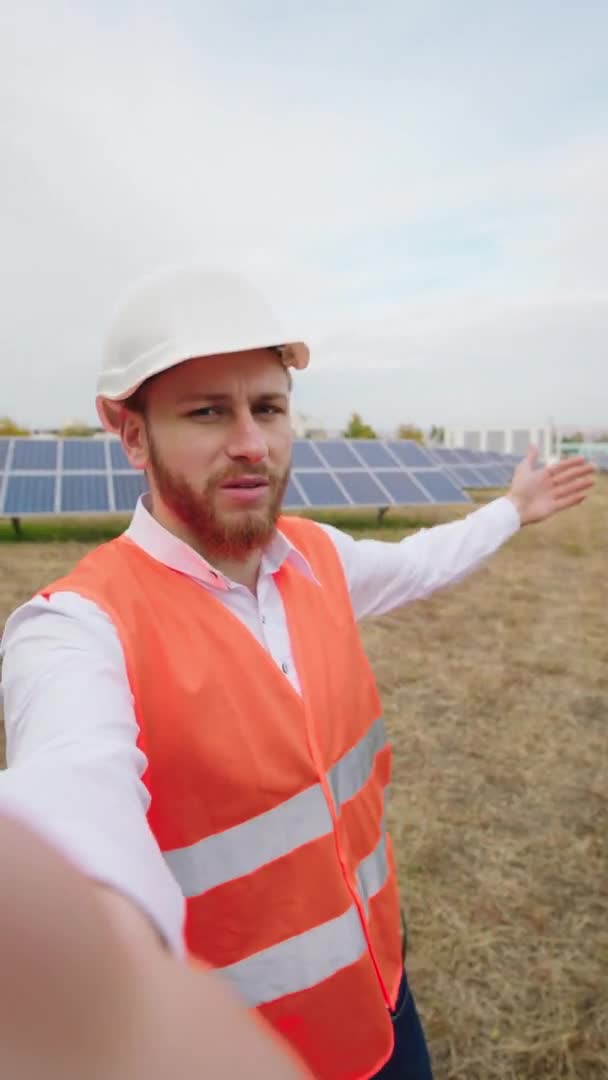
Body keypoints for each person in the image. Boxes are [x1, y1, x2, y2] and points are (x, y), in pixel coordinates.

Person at [0, 266, 594, 1080]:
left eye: (269, 408)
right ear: (130, 432)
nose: (251, 441)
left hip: (383, 998)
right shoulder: (75, 631)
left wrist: (509, 510)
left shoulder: (316, 557)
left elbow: (420, 562)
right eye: (208, 411)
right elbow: (73, 814)